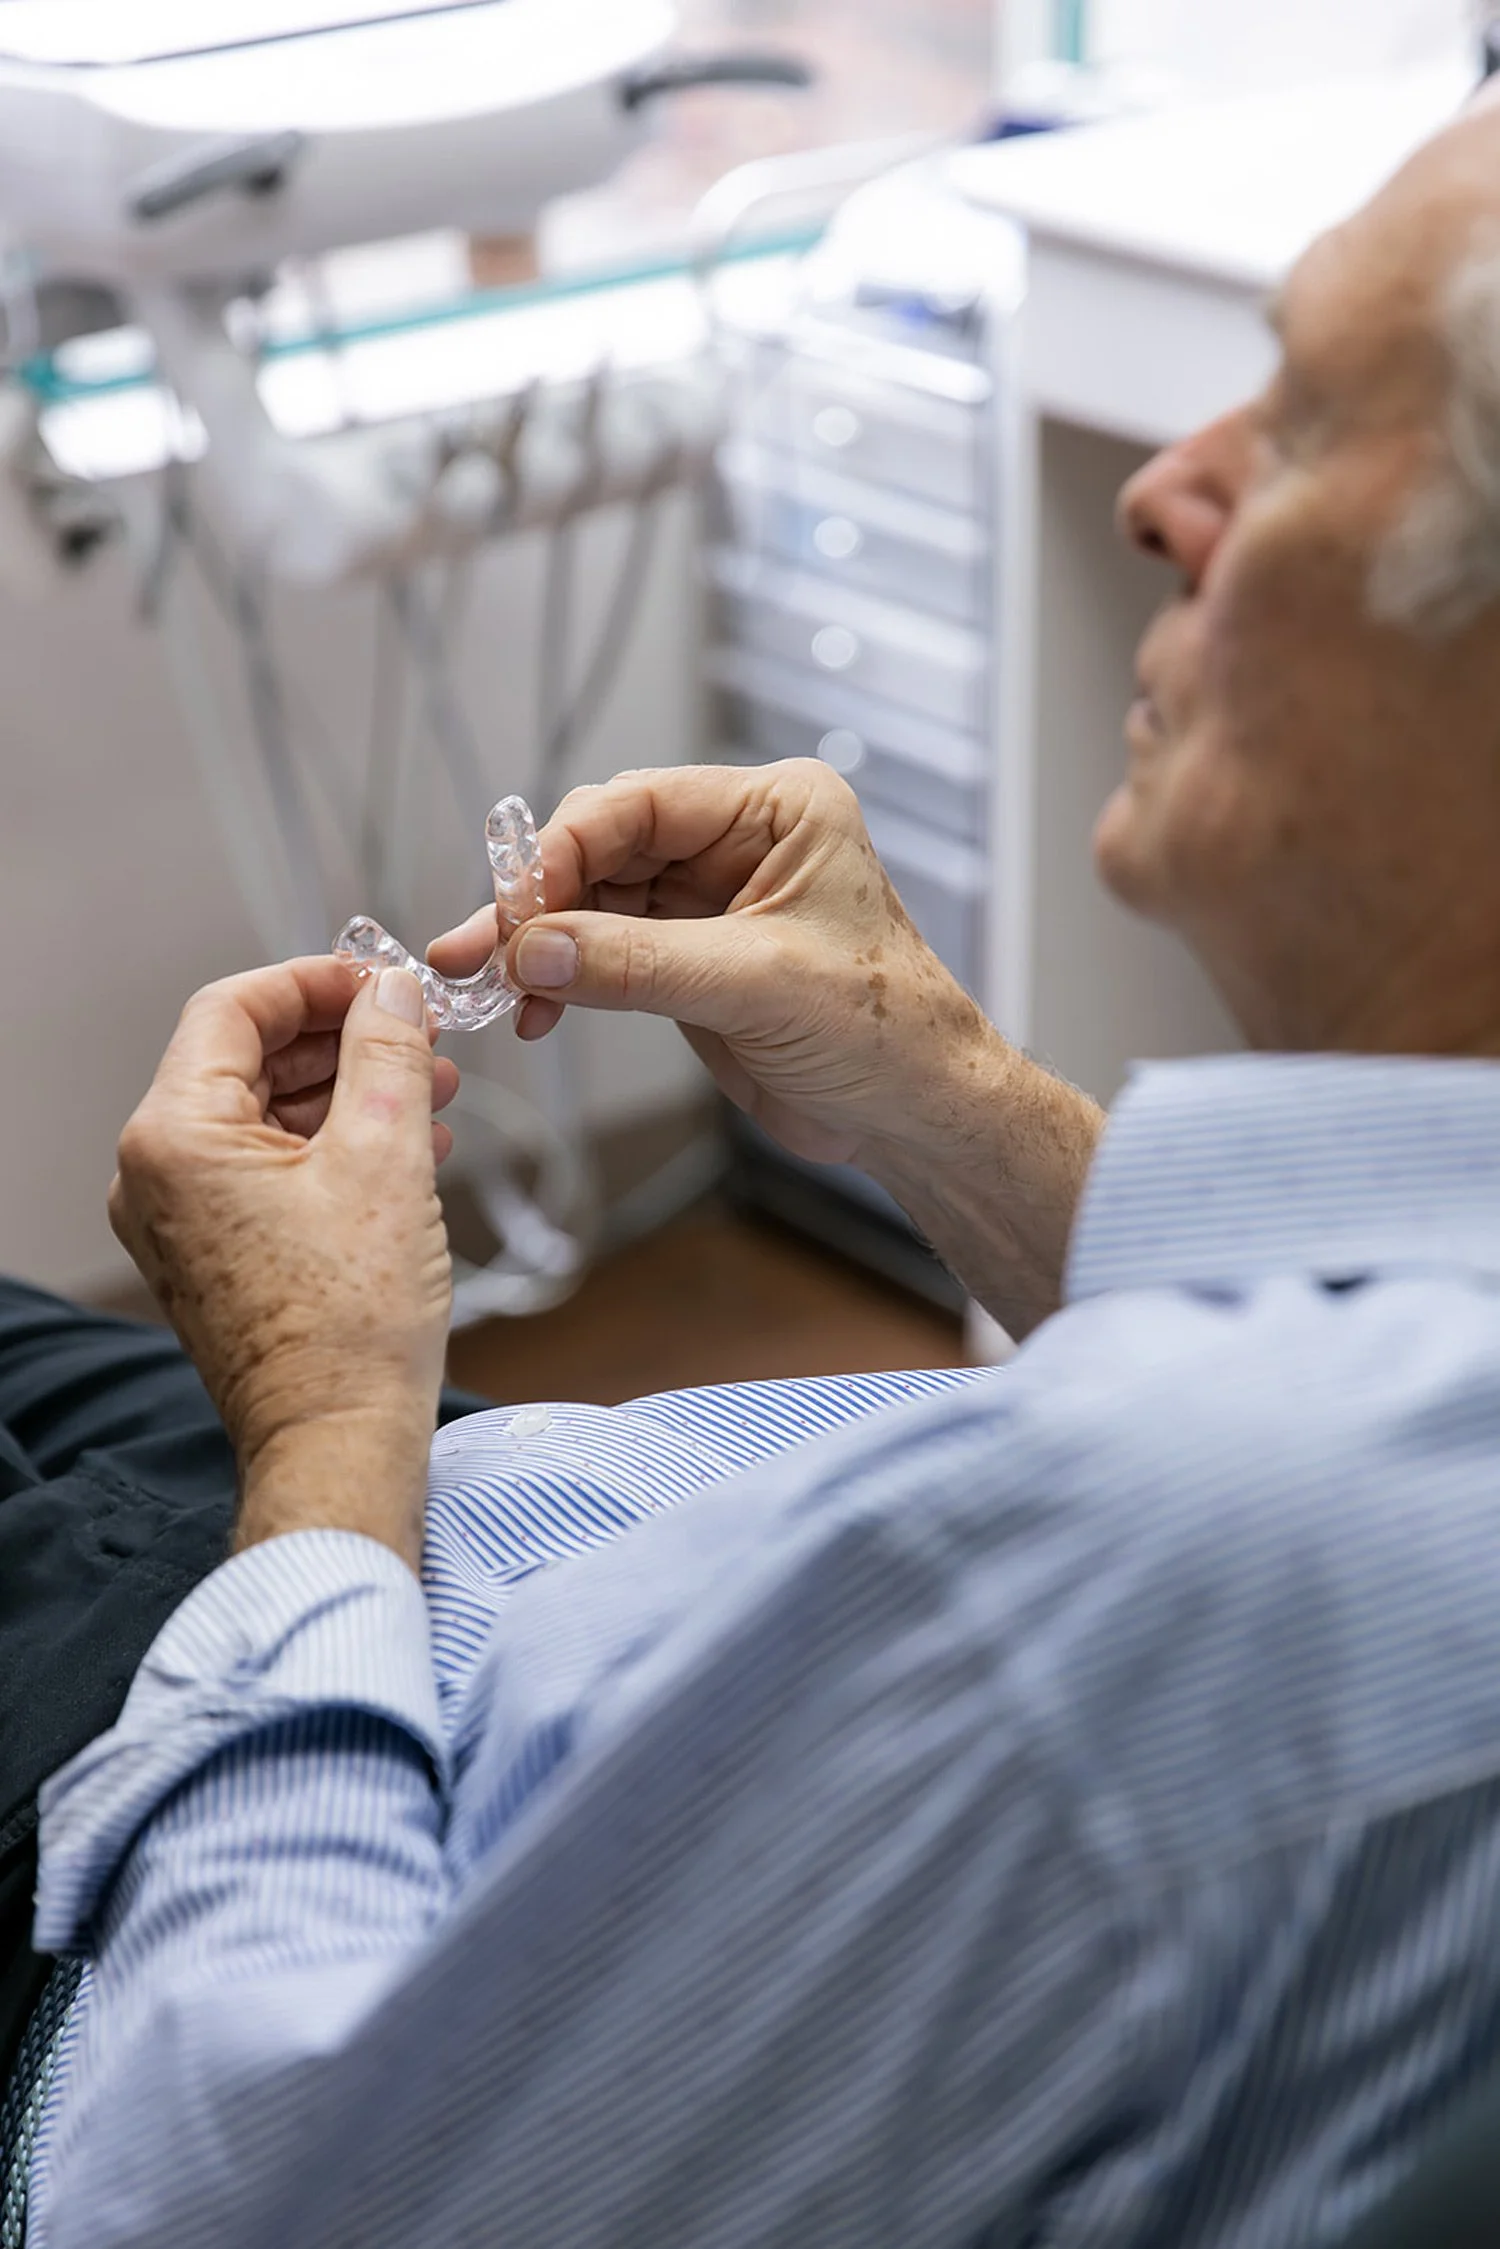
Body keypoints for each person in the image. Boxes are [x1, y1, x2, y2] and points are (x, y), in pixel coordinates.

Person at [18, 82, 1500, 2249]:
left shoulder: (1130, 1581)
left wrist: (326, 1425)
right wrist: (938, 1076)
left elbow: (209, 2194)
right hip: (480, 1554)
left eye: (1289, 431)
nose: (1164, 493)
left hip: (228, 1850)